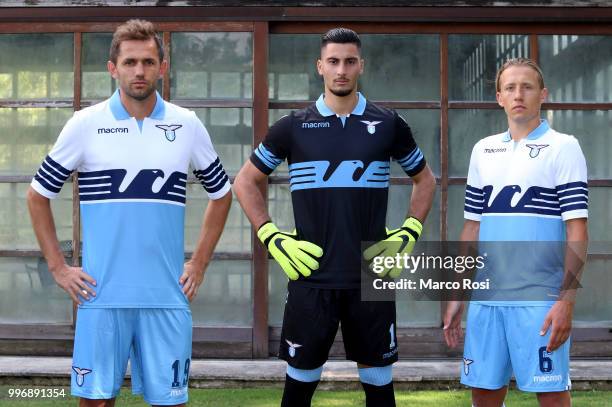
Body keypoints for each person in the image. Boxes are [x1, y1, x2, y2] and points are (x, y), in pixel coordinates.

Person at [26, 19, 232, 407]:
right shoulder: (85, 124)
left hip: (166, 295)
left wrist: (199, 263)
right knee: (96, 402)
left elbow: (222, 195)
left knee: (170, 402)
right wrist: (58, 268)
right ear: (112, 67)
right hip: (101, 295)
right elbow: (38, 195)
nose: (140, 71)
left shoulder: (186, 124)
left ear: (162, 67)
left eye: (149, 62)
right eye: (131, 62)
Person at [234, 28, 436, 407]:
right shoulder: (293, 126)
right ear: (320, 67)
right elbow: (245, 181)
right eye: (333, 61)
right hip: (311, 275)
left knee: (379, 386)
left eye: (349, 61)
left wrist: (410, 230)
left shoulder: (388, 123)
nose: (341, 69)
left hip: (370, 274)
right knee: (298, 388)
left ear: (361, 65)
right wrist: (271, 236)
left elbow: (425, 180)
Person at [443, 58, 589, 407]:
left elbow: (578, 229)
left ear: (543, 94)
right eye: (510, 87)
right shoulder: (483, 150)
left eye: (527, 86)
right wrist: (457, 295)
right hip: (488, 298)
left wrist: (565, 301)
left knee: (551, 394)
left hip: (539, 299)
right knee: (484, 393)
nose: (518, 93)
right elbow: (472, 228)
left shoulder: (563, 146)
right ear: (499, 97)